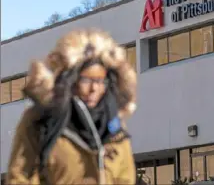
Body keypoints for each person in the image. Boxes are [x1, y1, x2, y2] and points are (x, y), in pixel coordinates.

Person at [6, 29, 137, 185]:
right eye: (86, 80)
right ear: (71, 80)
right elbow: (20, 178)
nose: (94, 89)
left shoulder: (114, 127)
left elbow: (126, 178)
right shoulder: (40, 120)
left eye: (100, 81)